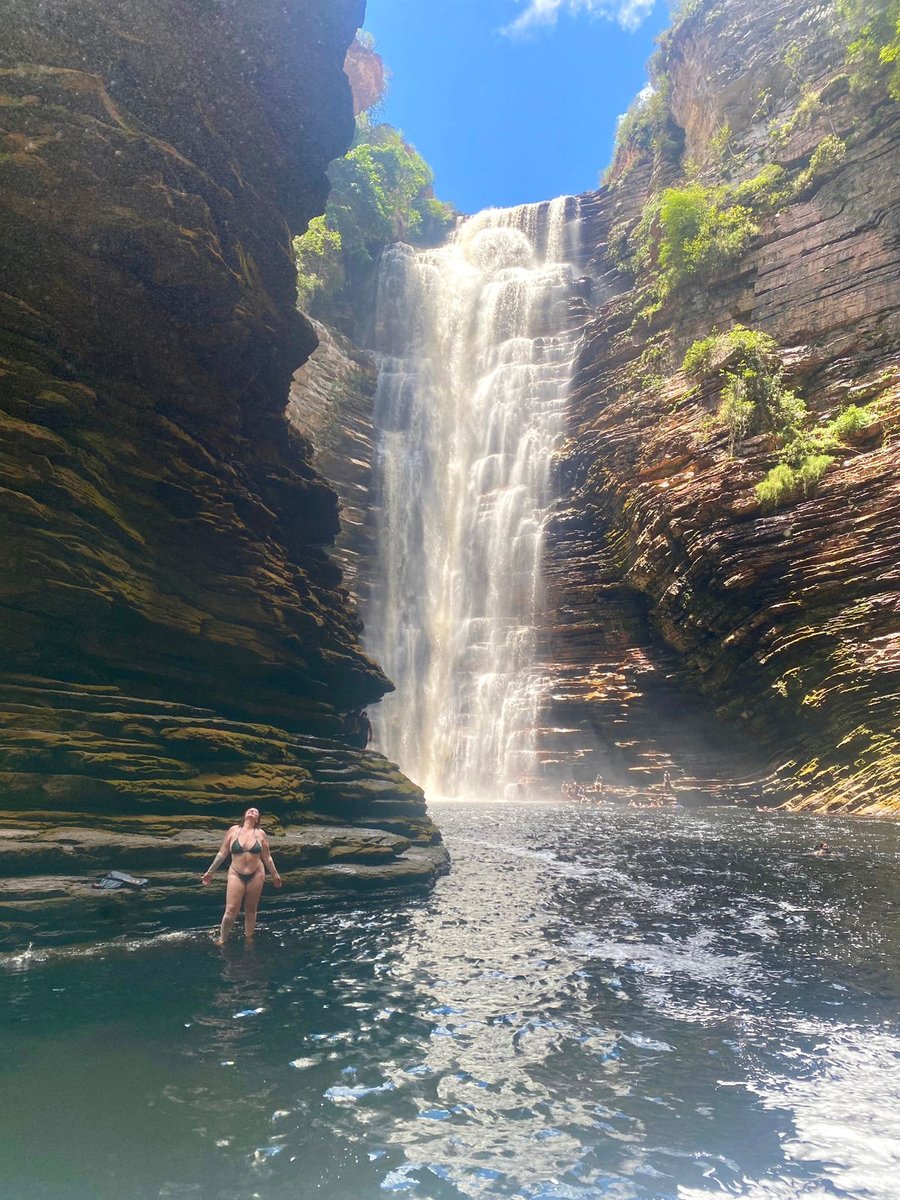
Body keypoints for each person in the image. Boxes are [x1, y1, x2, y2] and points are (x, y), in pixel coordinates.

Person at [201, 807, 282, 944]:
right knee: (231, 909)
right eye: (250, 810)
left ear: (258, 819)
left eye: (256, 812)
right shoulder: (233, 830)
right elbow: (222, 853)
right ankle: (222, 939)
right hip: (235, 873)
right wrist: (210, 872)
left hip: (256, 873)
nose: (252, 812)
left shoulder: (261, 834)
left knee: (251, 909)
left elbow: (267, 857)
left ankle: (249, 938)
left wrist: (275, 875)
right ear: (244, 814)